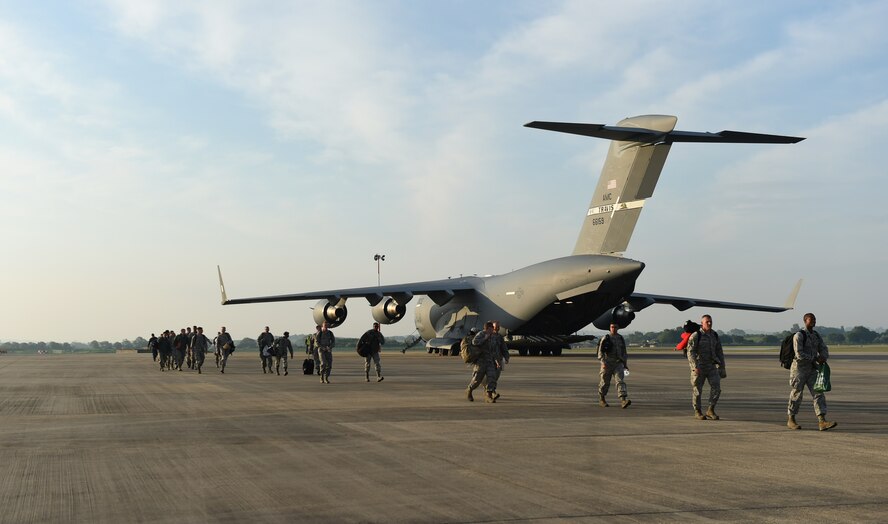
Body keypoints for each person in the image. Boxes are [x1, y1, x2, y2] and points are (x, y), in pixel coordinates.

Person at [787, 313, 837, 431]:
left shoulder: (816, 335)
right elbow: (799, 354)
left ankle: (822, 421)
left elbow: (823, 348)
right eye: (811, 319)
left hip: (812, 369)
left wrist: (823, 357)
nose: (814, 321)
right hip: (799, 369)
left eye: (815, 319)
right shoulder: (799, 335)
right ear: (805, 321)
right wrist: (814, 358)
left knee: (818, 392)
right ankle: (791, 419)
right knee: (797, 393)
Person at [686, 314, 725, 420]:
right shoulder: (696, 335)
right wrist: (694, 367)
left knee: (716, 388)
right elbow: (690, 352)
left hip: (712, 366)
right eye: (707, 321)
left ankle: (710, 409)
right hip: (700, 367)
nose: (709, 323)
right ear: (702, 323)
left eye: (710, 321)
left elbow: (719, 352)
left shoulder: (715, 335)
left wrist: (722, 366)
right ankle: (697, 411)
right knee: (697, 390)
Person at [598, 323, 631, 408]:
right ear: (610, 328)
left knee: (620, 381)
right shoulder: (606, 338)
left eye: (615, 327)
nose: (613, 329)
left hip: (618, 363)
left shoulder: (620, 338)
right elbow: (600, 352)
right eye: (612, 327)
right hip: (607, 363)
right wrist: (603, 363)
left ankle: (623, 400)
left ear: (618, 328)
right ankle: (602, 399)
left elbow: (624, 352)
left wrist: (625, 364)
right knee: (605, 382)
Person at [467, 321, 499, 403]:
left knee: (492, 377)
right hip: (481, 361)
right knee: (477, 380)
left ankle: (489, 395)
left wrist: (497, 361)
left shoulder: (493, 336)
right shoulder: (481, 334)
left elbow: (494, 350)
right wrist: (485, 338)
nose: (493, 329)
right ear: (488, 328)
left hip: (490, 361)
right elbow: (474, 342)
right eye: (492, 328)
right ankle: (469, 390)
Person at [488, 321, 509, 399]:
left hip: (498, 360)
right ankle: (491, 392)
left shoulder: (500, 337)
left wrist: (506, 357)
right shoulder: (488, 336)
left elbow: (504, 348)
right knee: (491, 377)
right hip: (489, 360)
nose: (496, 328)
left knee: (495, 377)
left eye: (498, 327)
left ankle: (491, 391)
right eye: (495, 327)